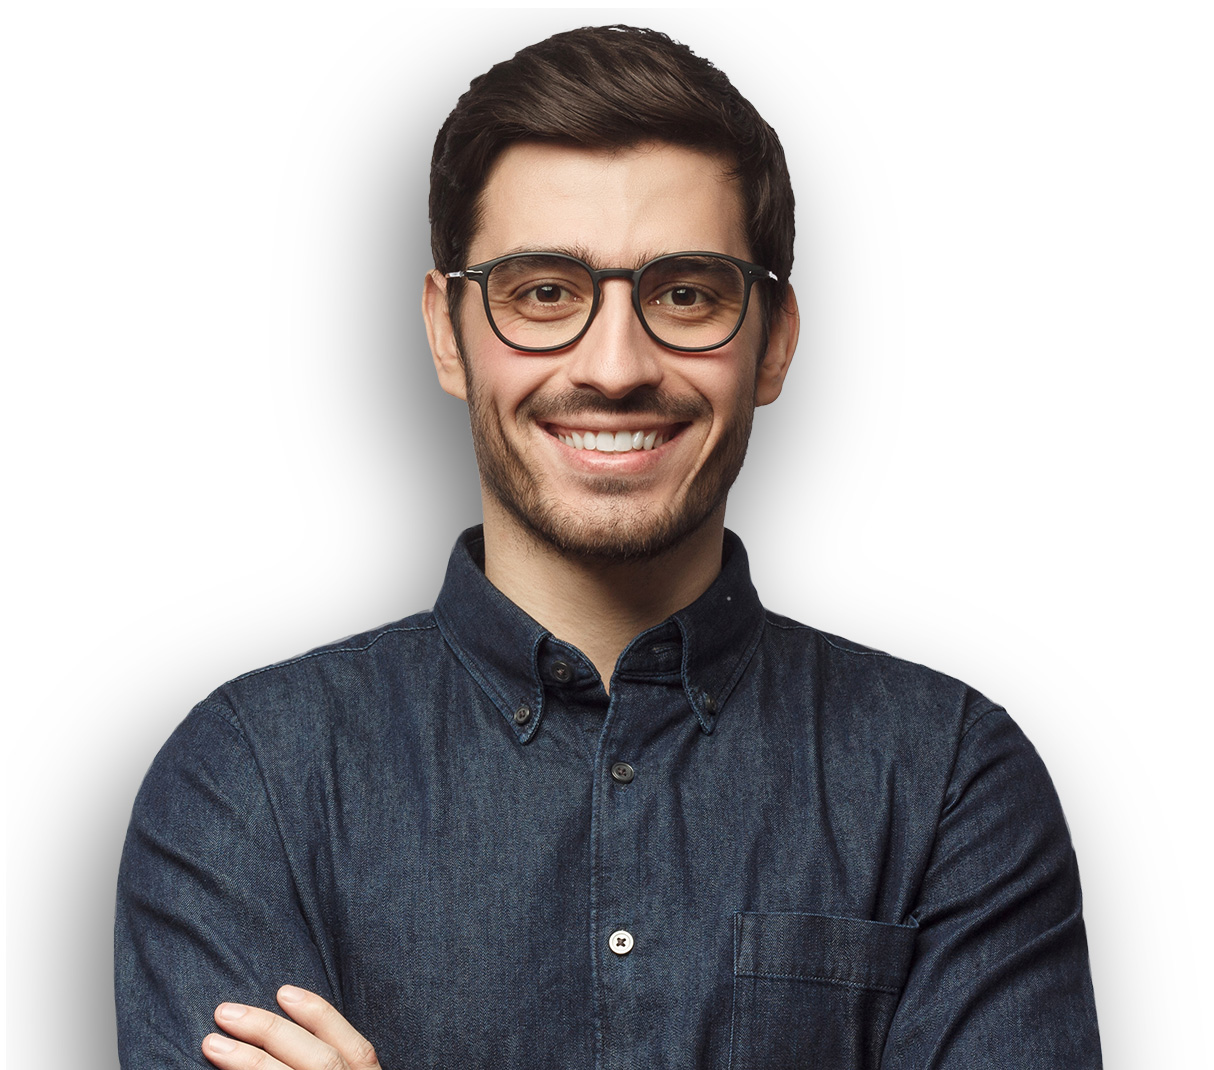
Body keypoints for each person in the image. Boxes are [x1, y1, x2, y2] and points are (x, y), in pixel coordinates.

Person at [115, 24, 1102, 1070]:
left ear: (771, 340)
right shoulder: (249, 780)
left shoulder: (948, 777)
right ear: (449, 332)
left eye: (685, 292)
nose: (616, 364)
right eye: (542, 291)